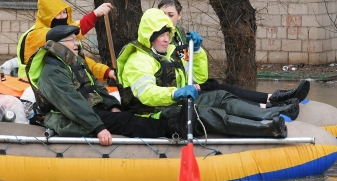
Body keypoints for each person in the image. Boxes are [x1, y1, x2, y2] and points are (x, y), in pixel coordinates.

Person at [116, 8, 296, 138]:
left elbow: (199, 78)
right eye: (160, 35)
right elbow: (146, 94)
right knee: (206, 113)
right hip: (152, 114)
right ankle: (268, 129)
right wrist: (175, 93)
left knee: (220, 96)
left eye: (167, 34)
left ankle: (270, 114)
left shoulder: (169, 53)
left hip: (175, 101)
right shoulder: (138, 61)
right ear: (149, 35)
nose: (166, 39)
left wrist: (197, 52)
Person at [28, 25, 171, 145]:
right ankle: (172, 131)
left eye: (76, 39)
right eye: (72, 40)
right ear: (57, 45)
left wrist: (112, 105)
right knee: (126, 121)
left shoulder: (74, 64)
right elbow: (71, 103)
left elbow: (96, 86)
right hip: (69, 118)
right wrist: (98, 127)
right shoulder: (52, 73)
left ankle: (170, 127)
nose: (77, 43)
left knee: (126, 116)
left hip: (92, 112)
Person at [157, 0, 310, 107]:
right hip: (174, 93)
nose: (166, 19)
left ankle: (273, 98)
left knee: (221, 86)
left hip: (185, 86)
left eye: (170, 15)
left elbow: (198, 76)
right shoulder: (157, 38)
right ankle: (270, 106)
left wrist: (196, 52)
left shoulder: (180, 36)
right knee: (222, 94)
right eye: (162, 15)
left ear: (180, 15)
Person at [16, 0, 116, 81]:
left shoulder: (65, 36)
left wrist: (107, 72)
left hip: (58, 85)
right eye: (58, 14)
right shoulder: (35, 35)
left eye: (64, 12)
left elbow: (81, 63)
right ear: (47, 17)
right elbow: (59, 33)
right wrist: (94, 15)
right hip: (31, 88)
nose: (63, 17)